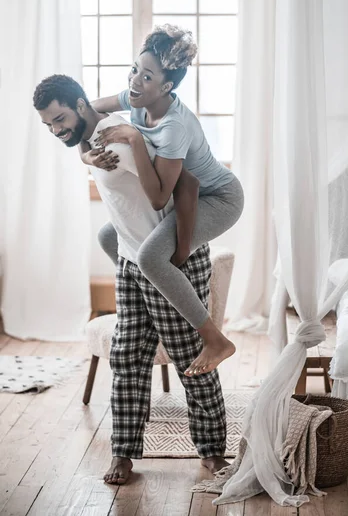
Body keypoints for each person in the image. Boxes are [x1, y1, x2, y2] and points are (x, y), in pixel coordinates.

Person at [33, 75, 229, 484]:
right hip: (130, 258)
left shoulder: (116, 141)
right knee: (126, 356)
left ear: (83, 106)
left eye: (60, 119)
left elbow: (184, 187)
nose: (56, 130)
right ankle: (123, 453)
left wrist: (180, 254)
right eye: (49, 124)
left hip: (165, 259)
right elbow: (88, 146)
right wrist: (84, 156)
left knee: (189, 356)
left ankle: (212, 450)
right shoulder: (90, 137)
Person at [89, 24, 245, 377]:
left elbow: (159, 197)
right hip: (186, 196)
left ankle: (216, 340)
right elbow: (89, 113)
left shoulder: (174, 126)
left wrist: (134, 138)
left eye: (146, 77)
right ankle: (154, 299)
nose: (134, 82)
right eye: (134, 70)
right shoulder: (136, 98)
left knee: (149, 257)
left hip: (218, 199)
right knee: (108, 236)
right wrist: (86, 149)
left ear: (167, 87)